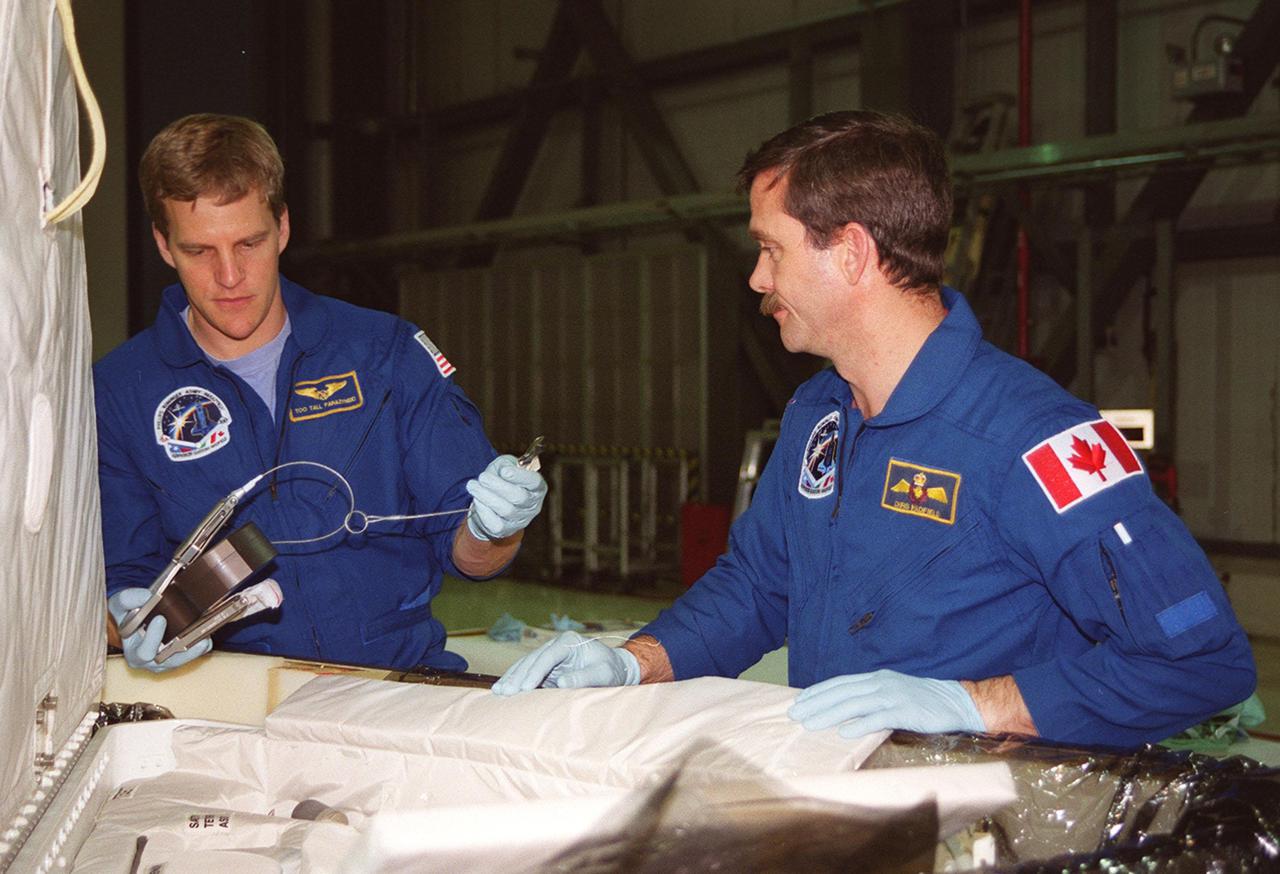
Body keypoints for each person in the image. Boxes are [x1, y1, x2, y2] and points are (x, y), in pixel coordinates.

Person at [492, 110, 1256, 748]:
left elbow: (1199, 662)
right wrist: (634, 663)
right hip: (846, 804)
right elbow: (759, 587)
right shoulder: (816, 416)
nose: (758, 279)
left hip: (993, 825)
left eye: (771, 249)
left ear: (852, 252)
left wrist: (973, 706)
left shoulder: (1032, 440)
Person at [96, 114, 545, 672]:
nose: (230, 276)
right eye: (200, 251)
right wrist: (125, 617)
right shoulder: (120, 391)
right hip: (226, 703)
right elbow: (123, 577)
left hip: (394, 686)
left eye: (250, 242)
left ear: (283, 227)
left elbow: (473, 558)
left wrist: (494, 529)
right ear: (164, 246)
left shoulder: (385, 353)